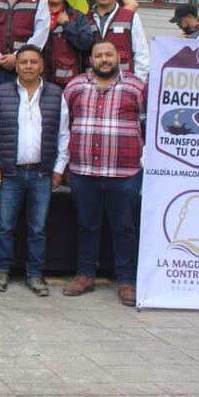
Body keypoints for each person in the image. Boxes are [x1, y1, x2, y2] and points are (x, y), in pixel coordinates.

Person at [63, 40, 146, 307]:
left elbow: (146, 125)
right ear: (91, 60)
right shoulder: (75, 86)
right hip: (83, 171)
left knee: (124, 227)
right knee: (87, 226)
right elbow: (66, 126)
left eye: (109, 54)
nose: (104, 59)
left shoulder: (136, 87)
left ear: (119, 57)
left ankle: (127, 280)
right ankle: (85, 275)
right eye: (98, 55)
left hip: (124, 172)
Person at [0, 45, 70, 297]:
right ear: (17, 65)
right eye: (23, 62)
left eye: (34, 61)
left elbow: (64, 134)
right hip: (10, 172)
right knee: (4, 226)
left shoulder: (56, 94)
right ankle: (1, 270)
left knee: (38, 228)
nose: (28, 66)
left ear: (42, 66)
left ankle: (35, 274)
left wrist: (58, 168)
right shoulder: (1, 93)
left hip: (42, 173)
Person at [29, 0, 95, 88]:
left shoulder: (78, 16)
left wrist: (67, 24)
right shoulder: (33, 14)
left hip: (69, 84)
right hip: (37, 82)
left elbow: (87, 44)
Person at [87, 0, 149, 81]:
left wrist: (139, 82)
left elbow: (141, 54)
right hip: (93, 84)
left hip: (125, 82)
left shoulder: (130, 17)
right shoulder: (85, 19)